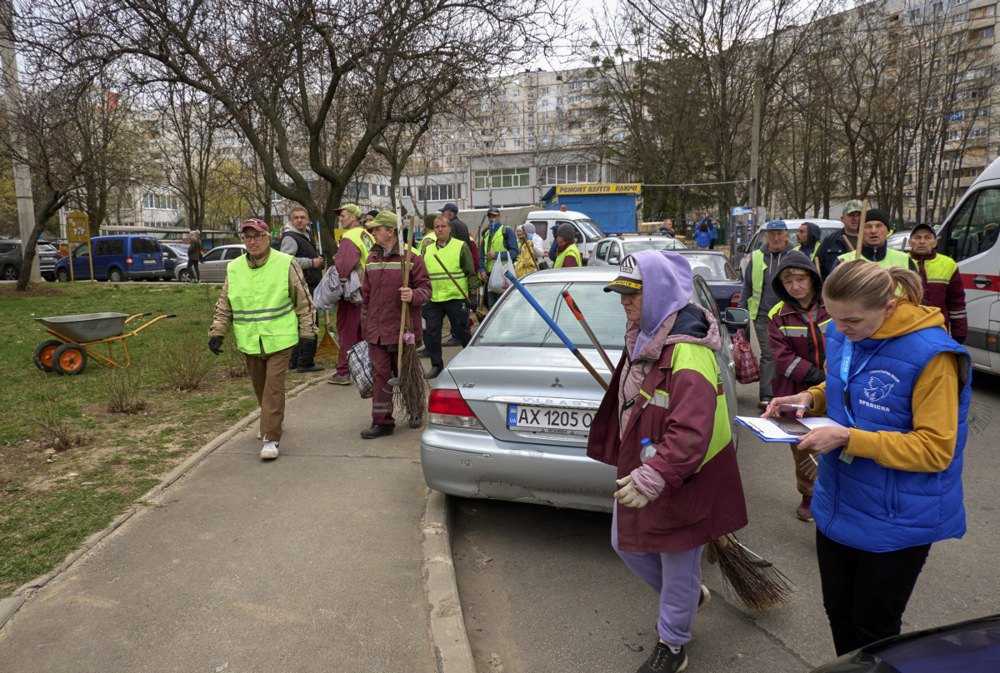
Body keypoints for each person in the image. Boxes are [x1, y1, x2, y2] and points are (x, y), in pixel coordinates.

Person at [764, 260, 971, 656]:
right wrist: (810, 397)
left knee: (874, 630)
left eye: (852, 321)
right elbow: (842, 382)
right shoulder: (847, 333)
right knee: (838, 614)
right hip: (837, 503)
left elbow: (935, 449)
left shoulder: (933, 357)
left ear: (889, 308)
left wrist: (849, 438)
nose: (841, 331)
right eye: (834, 319)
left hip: (896, 520)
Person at [588, 251, 748, 673]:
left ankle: (673, 644)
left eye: (632, 294)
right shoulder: (645, 335)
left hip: (685, 473)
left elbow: (692, 431)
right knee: (625, 543)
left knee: (677, 557)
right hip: (646, 461)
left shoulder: (688, 352)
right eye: (620, 294)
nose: (624, 303)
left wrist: (656, 475)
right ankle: (689, 598)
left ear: (658, 293)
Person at [208, 219, 316, 460]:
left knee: (273, 389)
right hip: (250, 341)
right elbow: (225, 303)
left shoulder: (285, 263)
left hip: (281, 339)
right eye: (247, 237)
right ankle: (271, 422)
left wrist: (308, 333)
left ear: (268, 237)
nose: (252, 241)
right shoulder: (234, 267)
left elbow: (304, 301)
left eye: (257, 236)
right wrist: (217, 332)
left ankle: (271, 438)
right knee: (260, 388)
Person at [765, 251, 829, 522]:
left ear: (813, 279)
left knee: (837, 445)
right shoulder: (778, 315)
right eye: (788, 281)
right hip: (795, 393)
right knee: (804, 448)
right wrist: (817, 377)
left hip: (834, 391)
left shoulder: (835, 305)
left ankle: (836, 496)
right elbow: (783, 359)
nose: (795, 286)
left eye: (800, 279)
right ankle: (809, 495)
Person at [361, 210, 431, 439]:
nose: (373, 234)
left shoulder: (411, 258)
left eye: (376, 229)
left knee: (407, 373)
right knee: (380, 377)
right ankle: (382, 421)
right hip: (377, 332)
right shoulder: (371, 259)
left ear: (390, 231)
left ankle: (414, 410)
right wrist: (366, 325)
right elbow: (366, 296)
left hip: (403, 329)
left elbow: (426, 290)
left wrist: (412, 294)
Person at [740, 219, 795, 408]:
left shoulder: (794, 256)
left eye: (780, 233)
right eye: (772, 234)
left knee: (788, 353)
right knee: (769, 354)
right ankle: (767, 395)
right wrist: (741, 312)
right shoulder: (756, 257)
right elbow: (747, 286)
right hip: (763, 315)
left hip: (788, 314)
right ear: (766, 236)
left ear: (786, 235)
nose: (776, 237)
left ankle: (788, 393)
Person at [422, 215, 478, 380]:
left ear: (449, 229)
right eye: (436, 227)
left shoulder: (460, 246)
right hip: (434, 299)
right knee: (432, 334)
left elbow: (471, 273)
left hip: (456, 297)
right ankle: (437, 366)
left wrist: (473, 296)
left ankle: (471, 363)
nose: (439, 229)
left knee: (462, 331)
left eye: (443, 226)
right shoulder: (428, 249)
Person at [327, 203, 373, 385]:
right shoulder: (366, 234)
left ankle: (344, 371)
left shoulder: (349, 236)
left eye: (344, 215)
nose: (341, 219)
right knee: (362, 331)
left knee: (347, 331)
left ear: (354, 217)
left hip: (354, 292)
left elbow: (344, 267)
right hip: (368, 288)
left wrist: (337, 262)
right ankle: (363, 368)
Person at [279, 205, 325, 373]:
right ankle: (304, 362)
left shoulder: (305, 235)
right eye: (296, 217)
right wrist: (311, 263)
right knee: (308, 323)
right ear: (291, 220)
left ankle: (297, 360)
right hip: (301, 287)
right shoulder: (290, 237)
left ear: (307, 220)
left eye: (302, 217)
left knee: (303, 323)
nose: (299, 220)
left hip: (309, 285)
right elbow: (286, 261)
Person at [908, 223, 967, 343]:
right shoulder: (900, 262)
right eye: (917, 238)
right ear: (910, 243)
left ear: (935, 243)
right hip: (907, 331)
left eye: (927, 237)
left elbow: (956, 302)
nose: (922, 241)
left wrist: (959, 333)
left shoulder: (948, 264)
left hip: (938, 331)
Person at [837, 209, 912, 271]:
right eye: (868, 226)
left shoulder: (904, 260)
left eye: (878, 226)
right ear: (859, 232)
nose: (873, 231)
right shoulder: (844, 262)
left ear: (888, 231)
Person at [478, 207, 518, 308]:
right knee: (492, 307)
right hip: (489, 276)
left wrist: (496, 255)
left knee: (504, 306)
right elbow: (481, 255)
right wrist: (482, 269)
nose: (492, 219)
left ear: (499, 216)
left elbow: (514, 252)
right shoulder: (486, 234)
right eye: (490, 216)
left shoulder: (506, 231)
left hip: (504, 275)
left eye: (494, 216)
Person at [817, 200, 862, 279]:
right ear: (842, 219)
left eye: (859, 215)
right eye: (851, 215)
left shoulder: (870, 240)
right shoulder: (830, 241)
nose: (855, 218)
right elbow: (818, 267)